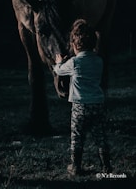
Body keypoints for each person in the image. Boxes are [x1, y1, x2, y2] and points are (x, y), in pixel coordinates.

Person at [53, 18, 112, 176]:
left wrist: (58, 62)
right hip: (97, 104)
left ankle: (75, 166)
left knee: (77, 136)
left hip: (79, 106)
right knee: (100, 136)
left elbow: (59, 71)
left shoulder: (74, 62)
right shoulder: (99, 61)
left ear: (74, 44)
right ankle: (106, 166)